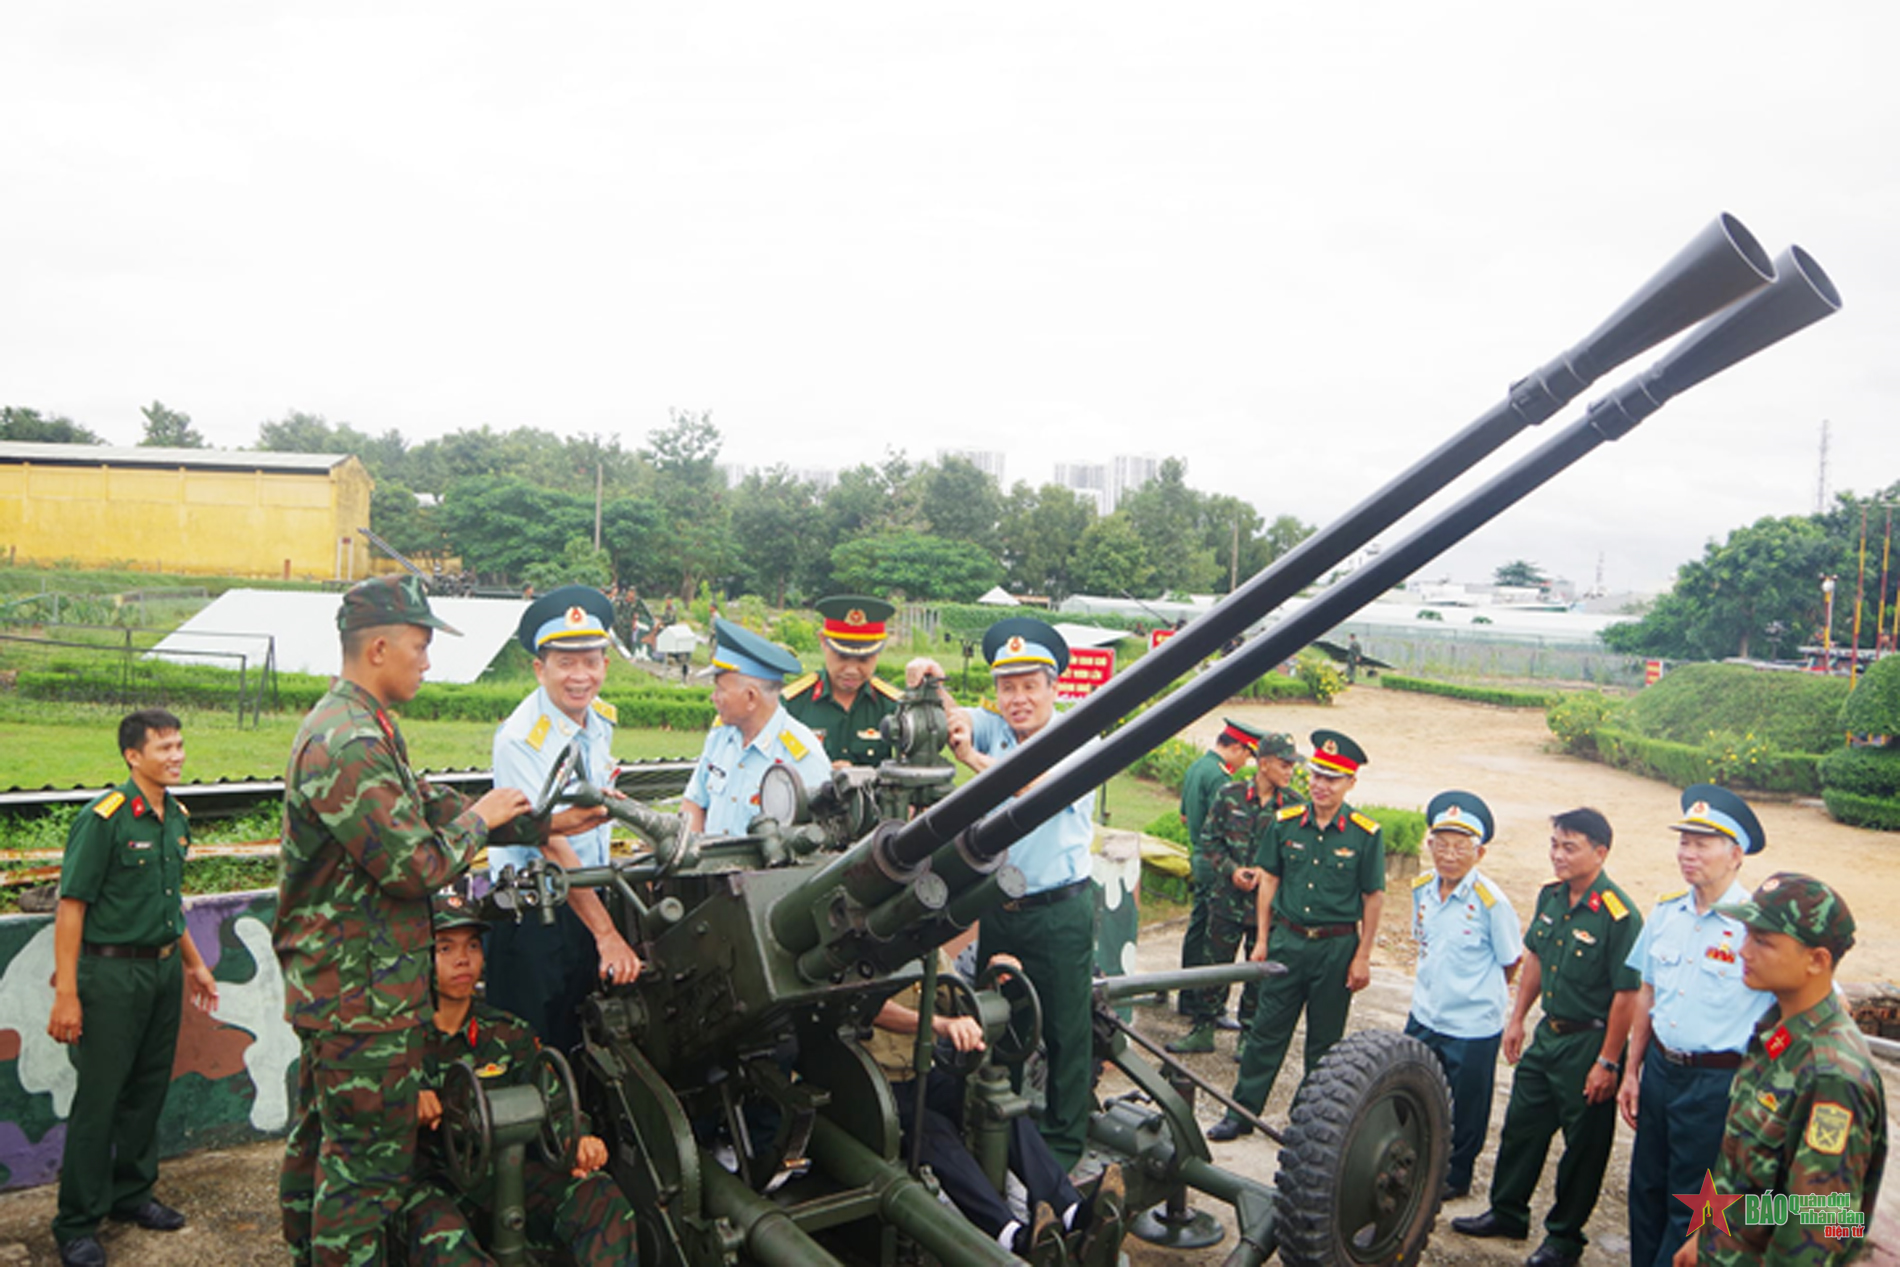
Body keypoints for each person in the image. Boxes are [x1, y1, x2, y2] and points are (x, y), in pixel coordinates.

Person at [275, 575, 603, 1266]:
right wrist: (485, 822)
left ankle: (306, 1248)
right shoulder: (348, 742)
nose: (427, 661)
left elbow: (429, 803)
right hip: (361, 997)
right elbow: (416, 865)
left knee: (325, 1143)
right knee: (365, 1172)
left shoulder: (366, 727)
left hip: (350, 988)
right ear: (380, 647)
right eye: (421, 646)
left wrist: (543, 819)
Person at [46, 709, 220, 1267]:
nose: (176, 756)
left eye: (179, 745)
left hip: (163, 970)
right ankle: (76, 1222)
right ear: (132, 756)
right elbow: (72, 907)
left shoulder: (176, 818)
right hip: (111, 976)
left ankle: (131, 1195)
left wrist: (194, 964)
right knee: (101, 1099)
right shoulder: (106, 819)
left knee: (147, 1091)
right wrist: (67, 993)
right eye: (164, 747)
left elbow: (169, 904)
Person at [400, 893, 639, 1265]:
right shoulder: (395, 1041)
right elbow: (355, 1117)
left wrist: (578, 1141)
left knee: (599, 1197)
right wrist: (402, 1103)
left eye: (473, 946)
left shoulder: (508, 1032)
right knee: (442, 1238)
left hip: (503, 1176)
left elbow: (556, 1103)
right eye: (444, 948)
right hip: (428, 1185)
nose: (462, 959)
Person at [1451, 807, 1643, 1267]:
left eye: (1569, 847)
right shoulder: (1551, 897)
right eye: (1554, 844)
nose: (1557, 855)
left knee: (1584, 1147)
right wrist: (1517, 1018)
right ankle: (1507, 1211)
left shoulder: (1619, 915)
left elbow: (1627, 995)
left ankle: (1564, 1237)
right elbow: (1534, 958)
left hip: (1589, 1044)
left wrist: (1609, 1061)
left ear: (1600, 852)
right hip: (1549, 1035)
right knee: (1522, 1127)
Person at [864, 937, 1124, 1265]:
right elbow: (867, 1007)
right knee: (932, 1133)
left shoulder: (923, 946)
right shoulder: (854, 950)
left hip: (923, 1071)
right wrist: (938, 1024)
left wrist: (989, 984)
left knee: (997, 1105)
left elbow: (955, 996)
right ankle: (1011, 1236)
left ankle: (1071, 1211)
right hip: (871, 1081)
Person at [945, 616, 1096, 1169]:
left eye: (1030, 686)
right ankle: (999, 1136)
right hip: (1000, 909)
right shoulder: (998, 731)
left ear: (1053, 688)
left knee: (1064, 1032)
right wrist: (933, 683)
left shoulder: (1080, 739)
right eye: (1008, 688)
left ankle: (1061, 1147)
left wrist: (974, 763)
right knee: (999, 1023)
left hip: (1058, 912)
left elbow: (1035, 791)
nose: (1018, 699)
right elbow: (958, 720)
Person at [1675, 873, 1886, 1266]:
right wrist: (1706, 1235)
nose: (1743, 951)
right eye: (1747, 935)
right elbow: (1745, 1175)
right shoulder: (1776, 1033)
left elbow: (1821, 1224)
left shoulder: (1832, 1076)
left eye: (1763, 942)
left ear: (1817, 961)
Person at [1619, 785, 1772, 1267]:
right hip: (1663, 1071)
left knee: (1698, 1201)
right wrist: (1632, 1070)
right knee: (1646, 1187)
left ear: (1736, 855)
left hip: (1718, 1084)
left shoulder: (1760, 928)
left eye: (1702, 843)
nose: (1688, 853)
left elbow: (1807, 1007)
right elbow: (1648, 992)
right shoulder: (1666, 913)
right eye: (1684, 841)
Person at [487, 585, 643, 1057]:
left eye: (590, 661)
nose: (580, 676)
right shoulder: (522, 738)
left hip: (585, 901)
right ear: (540, 669)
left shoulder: (598, 721)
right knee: (534, 1054)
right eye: (565, 663)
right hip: (534, 915)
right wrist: (607, 934)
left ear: (605, 666)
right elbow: (548, 841)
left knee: (587, 1045)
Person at [1209, 729, 1383, 1141]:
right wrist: (1264, 941)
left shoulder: (1364, 834)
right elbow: (1269, 881)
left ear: (1350, 783)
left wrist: (1363, 956)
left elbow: (1373, 898)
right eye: (1317, 775)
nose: (1321, 785)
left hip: (1336, 948)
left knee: (1324, 1043)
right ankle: (1241, 1112)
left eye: (1332, 778)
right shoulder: (1286, 824)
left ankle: (1308, 1123)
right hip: (1288, 942)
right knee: (1266, 1032)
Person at [1403, 791, 1522, 1202]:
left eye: (1461, 846)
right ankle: (1414, 1159)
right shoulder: (1422, 889)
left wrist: (1476, 993)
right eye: (1442, 844)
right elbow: (1424, 944)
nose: (1449, 855)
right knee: (1414, 1090)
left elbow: (1511, 960)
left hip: (1471, 1025)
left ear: (1480, 852)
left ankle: (1457, 1173)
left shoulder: (1492, 903)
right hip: (1425, 1013)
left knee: (1466, 1107)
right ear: (1430, 845)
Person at [1168, 729, 1292, 1056]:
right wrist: (1231, 870)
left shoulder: (1294, 806)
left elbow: (1296, 854)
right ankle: (1203, 1028)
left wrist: (1269, 874)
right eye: (1284, 764)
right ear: (1263, 764)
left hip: (1266, 909)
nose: (1289, 771)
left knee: (1258, 973)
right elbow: (1209, 840)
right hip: (1227, 900)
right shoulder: (1230, 794)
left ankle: (1248, 1035)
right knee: (1215, 966)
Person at [682, 619, 830, 836]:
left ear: (751, 697)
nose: (714, 698)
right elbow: (693, 803)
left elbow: (817, 840)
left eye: (721, 690)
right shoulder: (722, 736)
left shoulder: (802, 756)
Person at [1172, 720, 1258, 1022]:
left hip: (1197, 855)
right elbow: (1224, 827)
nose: (1246, 762)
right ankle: (1203, 1002)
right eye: (1246, 755)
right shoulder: (1221, 779)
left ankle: (1186, 995)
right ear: (1235, 747)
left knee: (1197, 929)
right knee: (1213, 936)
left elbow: (1184, 816)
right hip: (1215, 862)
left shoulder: (1197, 768)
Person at [782, 594, 906, 768]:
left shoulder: (893, 706)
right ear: (823, 641)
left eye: (864, 660)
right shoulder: (792, 704)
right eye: (842, 657)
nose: (851, 670)